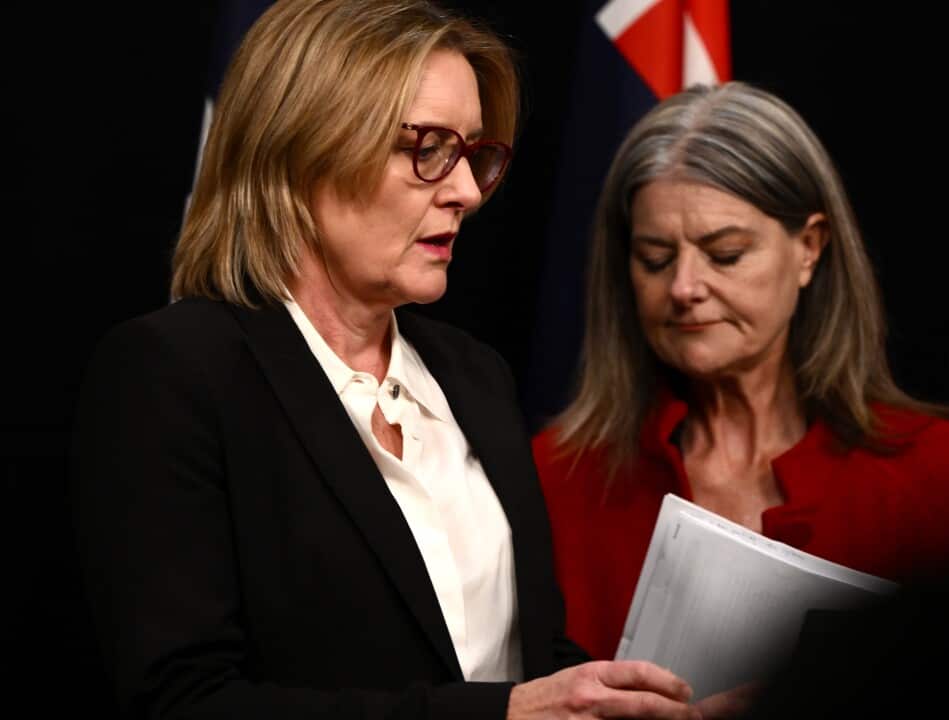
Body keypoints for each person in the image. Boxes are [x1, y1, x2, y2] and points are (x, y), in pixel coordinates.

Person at [69, 2, 700, 718]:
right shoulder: (172, 374)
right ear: (304, 150)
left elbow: (523, 660)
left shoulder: (474, 374)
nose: (466, 192)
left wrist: (656, 705)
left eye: (473, 154)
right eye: (428, 148)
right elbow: (182, 700)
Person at [532, 81, 949, 664]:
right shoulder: (559, 475)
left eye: (725, 254)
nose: (684, 287)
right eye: (655, 259)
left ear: (809, 248)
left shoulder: (936, 473)